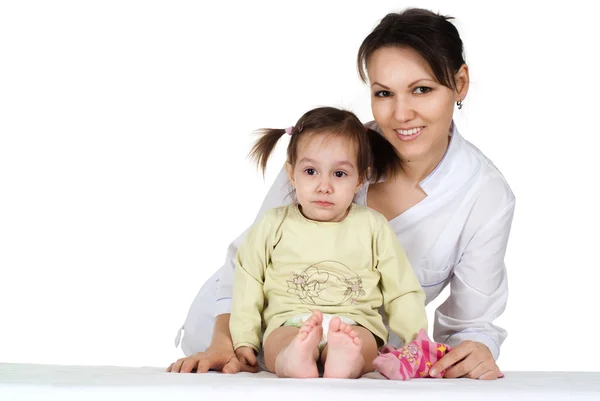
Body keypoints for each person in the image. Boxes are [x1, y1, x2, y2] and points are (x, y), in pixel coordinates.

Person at [168, 8, 515, 381]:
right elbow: (248, 260)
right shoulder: (327, 154)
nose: (401, 114)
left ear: (460, 82)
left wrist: (475, 348)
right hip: (239, 344)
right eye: (384, 93)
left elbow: (470, 325)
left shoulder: (485, 197)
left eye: (422, 89)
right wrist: (225, 340)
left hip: (353, 361)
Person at [227, 106, 427, 379]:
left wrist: (416, 341)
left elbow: (401, 288)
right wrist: (245, 339)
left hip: (356, 325)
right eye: (310, 171)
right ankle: (293, 357)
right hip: (291, 321)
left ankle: (346, 360)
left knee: (365, 347)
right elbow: (248, 281)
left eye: (339, 174)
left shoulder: (373, 225)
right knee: (277, 345)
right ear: (291, 172)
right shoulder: (273, 224)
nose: (324, 186)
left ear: (360, 179)